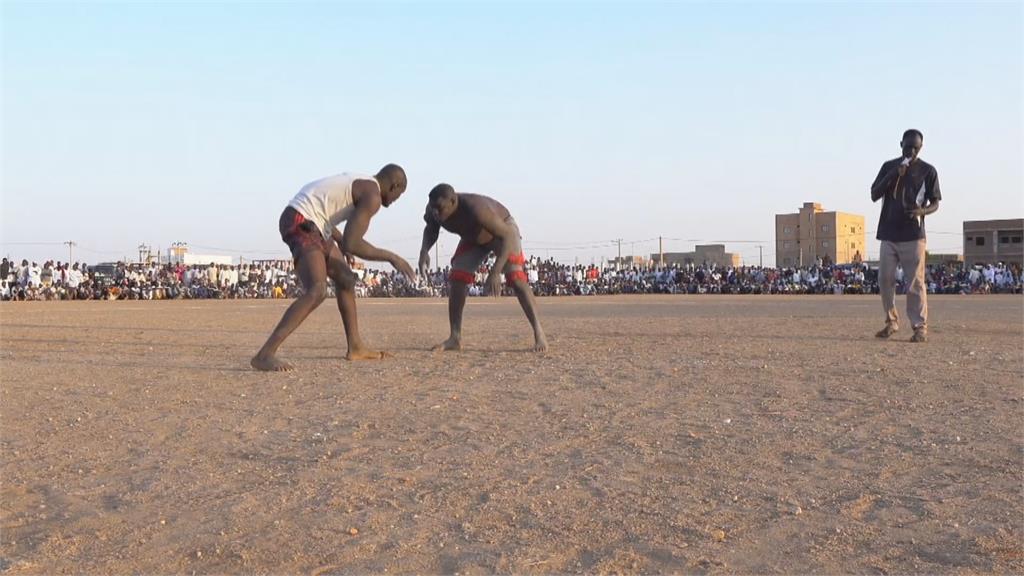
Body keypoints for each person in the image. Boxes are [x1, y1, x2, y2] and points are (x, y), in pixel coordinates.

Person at [252, 164, 415, 371]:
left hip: (316, 224)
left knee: (346, 278)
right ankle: (265, 354)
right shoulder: (372, 195)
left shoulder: (363, 182)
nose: (394, 201)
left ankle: (355, 347)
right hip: (301, 219)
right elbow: (353, 243)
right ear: (394, 185)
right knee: (317, 290)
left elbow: (328, 212)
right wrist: (393, 258)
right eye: (399, 195)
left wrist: (339, 241)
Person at [418, 183, 547, 352]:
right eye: (433, 208)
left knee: (516, 278)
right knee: (457, 278)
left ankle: (539, 332)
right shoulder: (434, 209)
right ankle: (454, 337)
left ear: (453, 201)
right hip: (473, 238)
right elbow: (431, 229)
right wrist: (424, 251)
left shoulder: (476, 209)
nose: (436, 213)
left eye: (440, 208)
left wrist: (495, 271)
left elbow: (507, 235)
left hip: (503, 233)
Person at [870, 129, 941, 342]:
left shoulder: (928, 171)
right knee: (885, 279)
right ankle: (891, 322)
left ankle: (919, 327)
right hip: (889, 233)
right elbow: (874, 194)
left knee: (915, 283)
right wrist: (894, 174)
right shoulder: (889, 166)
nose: (911, 151)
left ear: (921, 148)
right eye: (908, 146)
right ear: (900, 144)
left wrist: (922, 211)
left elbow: (935, 203)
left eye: (916, 148)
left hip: (913, 235)